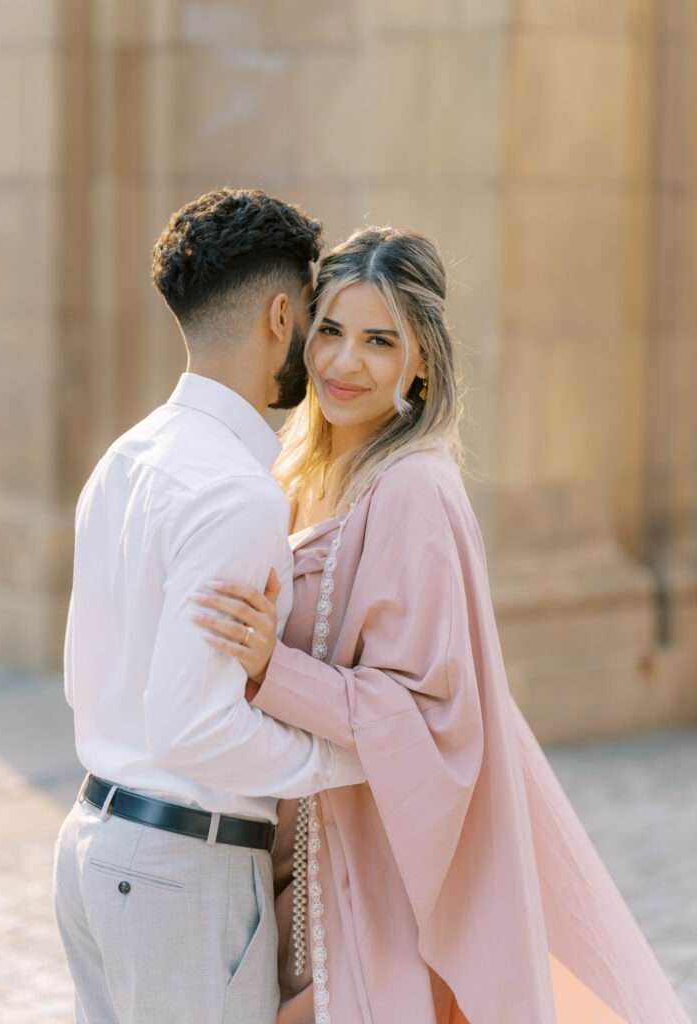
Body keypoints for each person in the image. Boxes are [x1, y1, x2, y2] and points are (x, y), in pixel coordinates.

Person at [192, 227, 690, 1023]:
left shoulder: (414, 491)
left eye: (380, 341)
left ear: (421, 360)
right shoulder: (300, 475)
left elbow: (425, 715)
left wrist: (271, 669)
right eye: (331, 331)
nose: (344, 363)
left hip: (380, 883)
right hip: (297, 856)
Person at [53, 188, 365, 1024]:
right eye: (316, 317)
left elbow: (86, 678)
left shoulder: (127, 457)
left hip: (96, 841)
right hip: (179, 872)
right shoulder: (236, 493)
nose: (323, 343)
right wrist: (344, 761)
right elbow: (192, 727)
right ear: (278, 314)